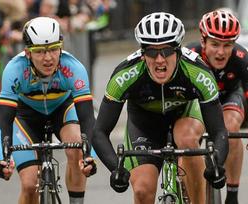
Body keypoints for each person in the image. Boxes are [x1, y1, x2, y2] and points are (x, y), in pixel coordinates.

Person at [92, 12, 228, 204]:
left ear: (178, 51)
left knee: (187, 138)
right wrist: (116, 169)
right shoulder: (125, 74)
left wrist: (216, 164)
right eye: (151, 52)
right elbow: (99, 132)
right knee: (142, 190)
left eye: (166, 51)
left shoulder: (198, 72)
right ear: (142, 53)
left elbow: (219, 130)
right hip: (145, 123)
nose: (159, 60)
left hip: (185, 113)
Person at [0, 17, 97, 204]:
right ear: (27, 52)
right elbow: (4, 120)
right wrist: (3, 159)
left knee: (76, 149)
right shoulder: (14, 70)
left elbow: (88, 118)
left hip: (62, 109)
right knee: (29, 183)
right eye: (40, 51)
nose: (48, 58)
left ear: (61, 47)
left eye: (53, 49)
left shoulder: (73, 68)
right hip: (26, 116)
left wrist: (90, 155)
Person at [185, 9, 248, 204]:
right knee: (187, 137)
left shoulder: (243, 58)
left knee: (231, 129)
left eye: (227, 45)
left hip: (228, 98)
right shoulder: (189, 55)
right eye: (215, 44)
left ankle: (232, 195)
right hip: (196, 102)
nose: (221, 52)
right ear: (203, 41)